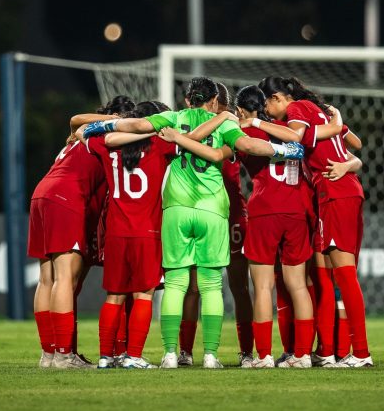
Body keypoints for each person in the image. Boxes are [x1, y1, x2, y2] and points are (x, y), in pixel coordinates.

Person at [83, 77, 304, 368]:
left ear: (187, 100)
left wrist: (101, 126)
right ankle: (211, 355)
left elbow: (136, 126)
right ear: (214, 101)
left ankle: (171, 354)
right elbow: (250, 145)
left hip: (176, 209)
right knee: (211, 285)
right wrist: (285, 151)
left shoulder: (172, 118)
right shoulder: (224, 123)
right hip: (212, 209)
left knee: (176, 284)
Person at [256, 76, 373, 368]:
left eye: (266, 104)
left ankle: (360, 353)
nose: (266, 111)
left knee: (343, 276)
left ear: (279, 98)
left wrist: (255, 124)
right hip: (336, 192)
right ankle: (330, 350)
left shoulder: (298, 111)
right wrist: (345, 153)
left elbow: (296, 137)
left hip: (335, 193)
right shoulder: (317, 110)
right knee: (325, 278)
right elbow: (354, 143)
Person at [29, 95, 134, 369]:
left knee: (47, 278)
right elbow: (77, 119)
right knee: (66, 278)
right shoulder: (104, 138)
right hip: (66, 198)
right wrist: (121, 123)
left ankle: (49, 354)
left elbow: (76, 121)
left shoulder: (79, 137)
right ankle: (64, 355)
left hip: (42, 194)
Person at [83, 101, 173, 369]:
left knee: (114, 296)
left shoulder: (107, 145)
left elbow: (82, 132)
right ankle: (133, 356)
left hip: (116, 233)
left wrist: (112, 125)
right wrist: (150, 131)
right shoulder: (160, 145)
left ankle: (104, 357)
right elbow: (189, 140)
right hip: (147, 231)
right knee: (144, 295)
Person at [233, 85, 315, 368]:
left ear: (242, 109)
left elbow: (240, 149)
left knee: (264, 287)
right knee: (298, 286)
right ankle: (303, 355)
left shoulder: (244, 132)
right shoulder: (289, 129)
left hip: (264, 210)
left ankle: (264, 355)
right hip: (295, 211)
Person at [178, 82, 254, 367]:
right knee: (224, 286)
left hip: (217, 212)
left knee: (211, 286)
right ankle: (240, 354)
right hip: (223, 212)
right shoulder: (229, 127)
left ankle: (240, 352)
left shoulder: (189, 128)